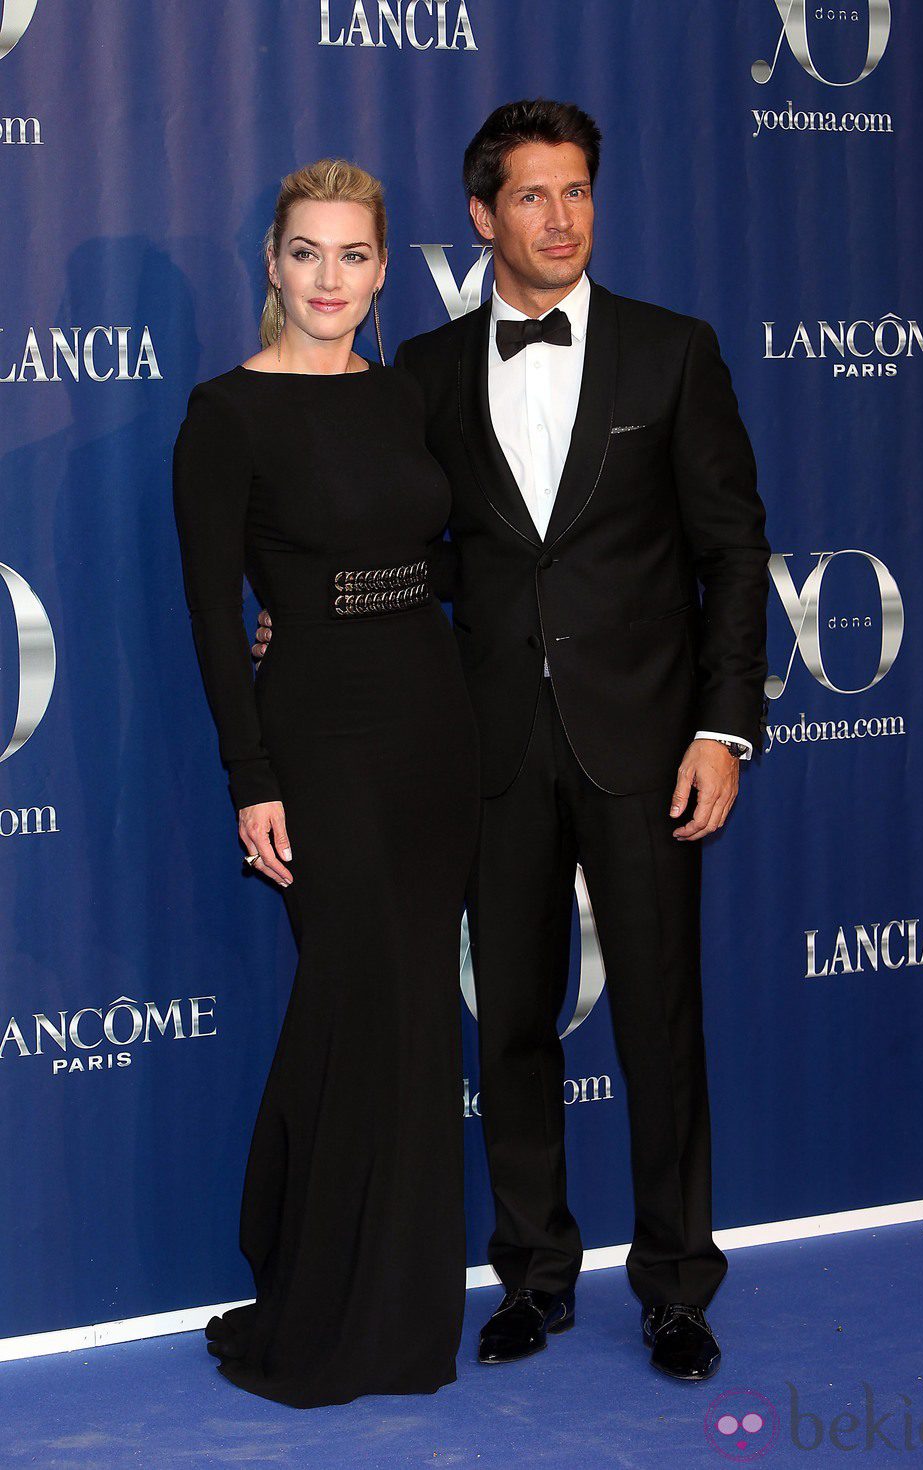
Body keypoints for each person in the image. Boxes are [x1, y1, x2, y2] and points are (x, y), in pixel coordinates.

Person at [253, 99, 770, 1383]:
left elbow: (732, 552)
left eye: (578, 191)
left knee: (659, 1018)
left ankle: (673, 1285)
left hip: (648, 742)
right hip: (473, 747)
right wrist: (305, 620)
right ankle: (532, 1274)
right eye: (531, 197)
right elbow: (393, 540)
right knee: (509, 1028)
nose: (560, 218)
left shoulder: (674, 353)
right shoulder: (418, 372)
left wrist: (723, 727)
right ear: (481, 218)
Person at [172, 158, 480, 1408]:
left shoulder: (402, 395)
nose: (330, 281)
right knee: (359, 1004)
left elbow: (438, 558)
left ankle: (396, 1311)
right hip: (318, 740)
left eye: (354, 256)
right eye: (307, 254)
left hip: (431, 722)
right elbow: (207, 615)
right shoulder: (224, 413)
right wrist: (252, 773)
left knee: (408, 1025)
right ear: (271, 263)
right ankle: (312, 1301)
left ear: (383, 266)